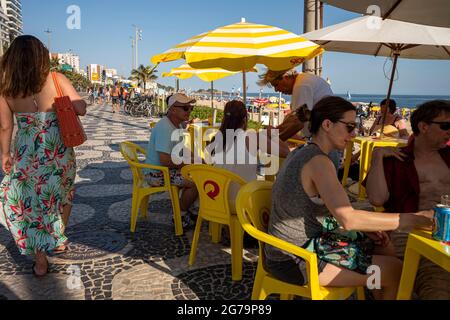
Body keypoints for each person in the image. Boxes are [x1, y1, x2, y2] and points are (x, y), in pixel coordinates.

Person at [265, 96, 433, 300]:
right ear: (327, 124)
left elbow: (332, 209)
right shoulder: (318, 162)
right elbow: (348, 218)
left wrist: (367, 228)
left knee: (383, 244)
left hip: (292, 249)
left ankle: (379, 286)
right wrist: (414, 218)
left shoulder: (303, 151)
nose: (354, 134)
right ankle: (383, 283)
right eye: (350, 127)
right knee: (395, 269)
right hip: (295, 260)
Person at [0, 35, 87, 277]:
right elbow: (81, 108)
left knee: (33, 203)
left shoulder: (6, 87)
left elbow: (5, 127)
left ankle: (40, 260)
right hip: (58, 150)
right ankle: (57, 238)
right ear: (41, 56)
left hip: (27, 153)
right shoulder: (57, 78)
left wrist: (5, 154)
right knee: (63, 192)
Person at [365, 100, 450, 299]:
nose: (449, 132)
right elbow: (377, 199)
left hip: (445, 231)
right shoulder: (397, 158)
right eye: (446, 126)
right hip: (409, 230)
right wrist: (377, 158)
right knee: (436, 283)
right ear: (424, 126)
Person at [209, 100, 290, 200]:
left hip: (217, 199)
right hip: (242, 202)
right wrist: (273, 133)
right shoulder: (253, 138)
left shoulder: (218, 139)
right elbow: (286, 152)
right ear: (245, 119)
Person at [144, 93, 199, 228]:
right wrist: (188, 163)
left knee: (200, 174)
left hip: (166, 170)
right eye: (186, 108)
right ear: (173, 109)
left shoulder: (176, 125)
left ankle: (189, 209)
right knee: (196, 183)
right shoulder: (165, 128)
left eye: (190, 108)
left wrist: (197, 159)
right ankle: (179, 215)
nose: (189, 111)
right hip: (156, 173)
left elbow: (182, 149)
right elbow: (165, 160)